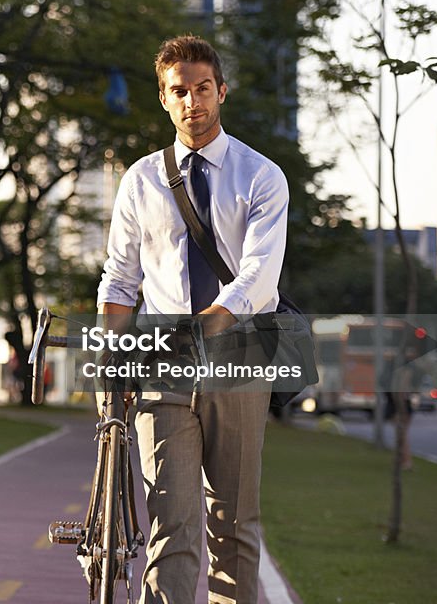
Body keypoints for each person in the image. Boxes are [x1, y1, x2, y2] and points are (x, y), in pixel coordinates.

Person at [97, 35, 289, 604]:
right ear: (163, 98)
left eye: (202, 89)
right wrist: (113, 352)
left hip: (239, 362)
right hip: (165, 369)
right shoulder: (140, 180)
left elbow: (259, 275)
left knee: (233, 526)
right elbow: (120, 278)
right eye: (178, 91)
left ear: (221, 91)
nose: (192, 102)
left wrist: (206, 324)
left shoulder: (261, 176)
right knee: (171, 525)